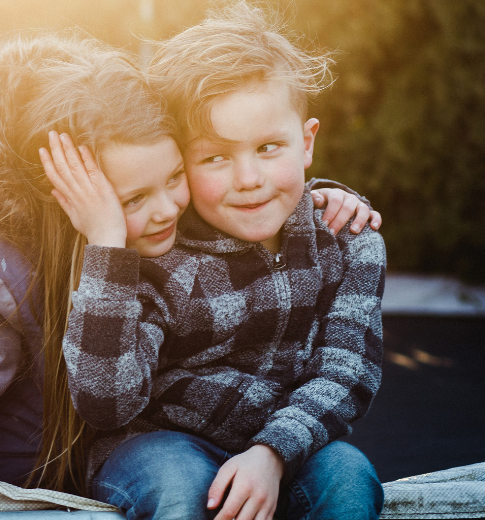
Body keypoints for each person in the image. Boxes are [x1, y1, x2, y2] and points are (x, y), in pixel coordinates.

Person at [0, 31, 378, 495]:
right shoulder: (5, 273)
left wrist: (316, 200)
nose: (167, 210)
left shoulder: (161, 233)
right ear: (72, 198)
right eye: (134, 198)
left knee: (344, 474)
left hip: (108, 474)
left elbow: (251, 167)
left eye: (173, 179)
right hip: (21, 493)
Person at [49, 4, 385, 519]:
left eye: (269, 147)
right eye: (216, 157)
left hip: (290, 439)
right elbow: (106, 403)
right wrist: (108, 248)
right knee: (181, 488)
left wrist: (271, 454)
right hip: (158, 446)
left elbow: (346, 372)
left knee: (349, 475)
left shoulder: (350, 239)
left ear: (307, 142)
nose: (248, 178)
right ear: (181, 161)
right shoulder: (158, 250)